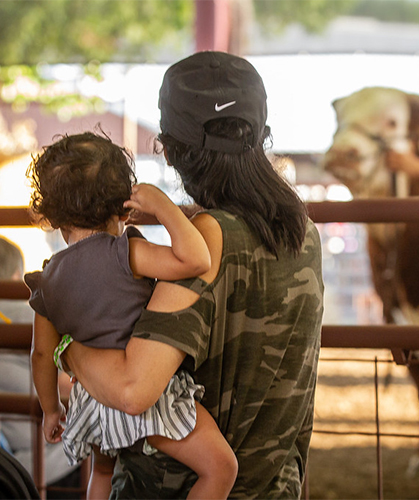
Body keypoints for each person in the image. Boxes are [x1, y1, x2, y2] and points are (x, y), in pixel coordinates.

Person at [59, 51, 324, 499]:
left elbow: (132, 390)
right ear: (261, 134)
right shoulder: (303, 231)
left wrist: (69, 351)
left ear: (173, 148)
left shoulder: (208, 240)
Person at [24, 131, 237, 500]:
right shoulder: (125, 253)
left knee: (101, 476)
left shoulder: (46, 282)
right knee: (221, 467)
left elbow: (42, 355)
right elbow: (196, 259)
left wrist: (51, 410)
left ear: (54, 216)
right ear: (125, 208)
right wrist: (163, 206)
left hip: (92, 403)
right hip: (147, 399)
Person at [0, 236, 80, 494]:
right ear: (15, 276)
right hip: (49, 458)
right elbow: (67, 383)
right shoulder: (23, 315)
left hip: (10, 462)